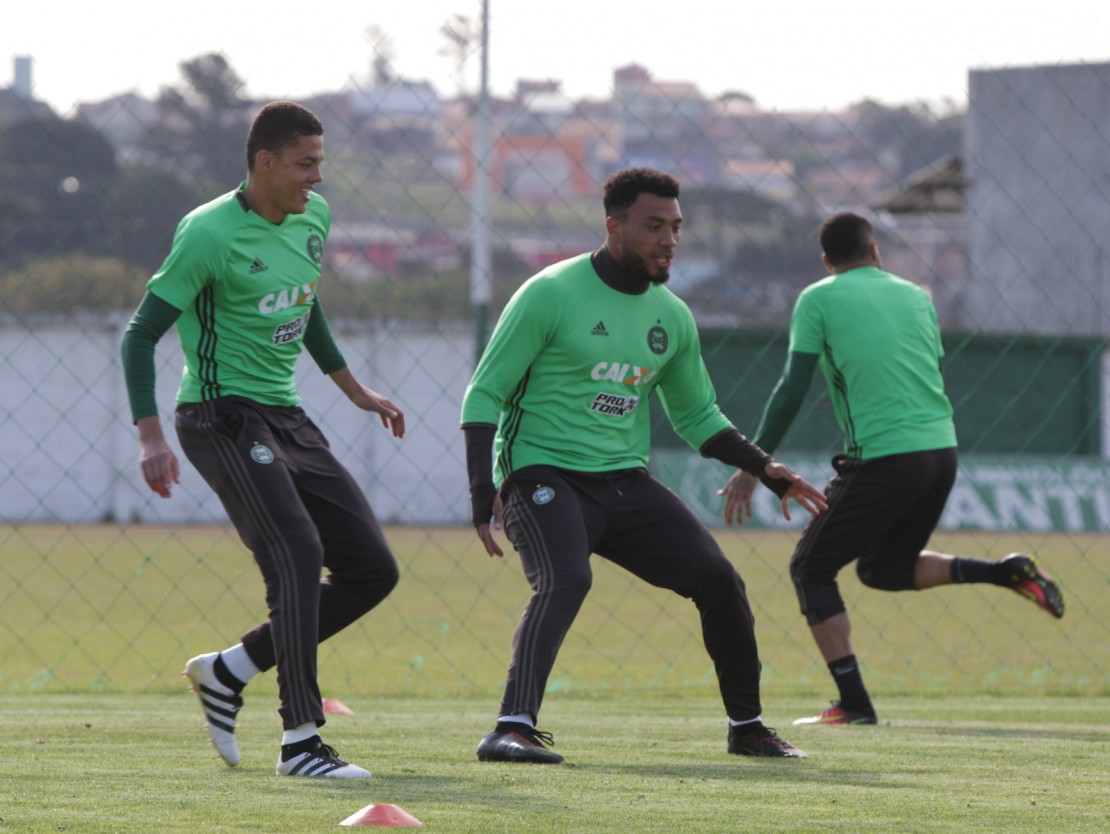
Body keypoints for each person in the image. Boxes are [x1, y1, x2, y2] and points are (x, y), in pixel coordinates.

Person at [460, 167, 828, 764]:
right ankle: (510, 729)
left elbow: (698, 418)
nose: (669, 240)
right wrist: (483, 491)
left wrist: (768, 468)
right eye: (654, 226)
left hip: (624, 483)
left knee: (719, 579)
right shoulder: (551, 292)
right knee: (567, 577)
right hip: (541, 473)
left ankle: (749, 728)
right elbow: (484, 395)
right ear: (615, 226)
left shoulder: (673, 317)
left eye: (676, 228)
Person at [120, 101, 404, 778]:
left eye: (321, 164)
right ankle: (302, 742)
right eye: (306, 164)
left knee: (372, 569)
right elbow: (139, 336)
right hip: (219, 417)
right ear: (264, 162)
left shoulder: (313, 218)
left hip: (286, 415)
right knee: (299, 551)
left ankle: (230, 668)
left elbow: (304, 302)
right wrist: (150, 437)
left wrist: (353, 389)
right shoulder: (208, 233)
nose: (317, 178)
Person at [719, 211, 1066, 726]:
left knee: (810, 568)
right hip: (941, 453)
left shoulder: (818, 297)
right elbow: (908, 367)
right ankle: (1005, 571)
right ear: (875, 251)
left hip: (884, 458)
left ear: (826, 261)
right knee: (884, 569)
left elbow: (791, 387)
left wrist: (755, 464)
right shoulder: (916, 295)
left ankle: (854, 703)